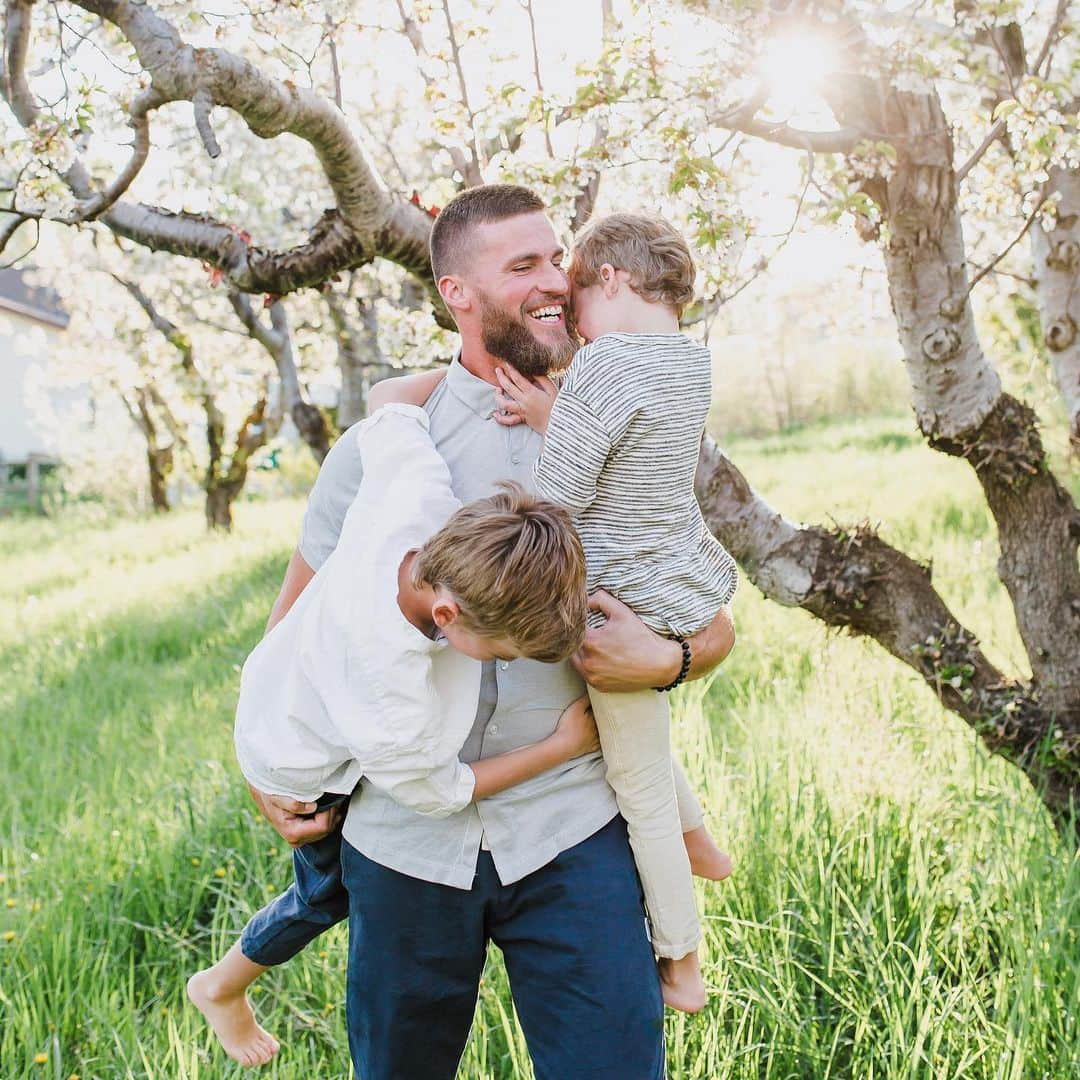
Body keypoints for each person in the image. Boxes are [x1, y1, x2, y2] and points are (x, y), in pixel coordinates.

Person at [249, 184, 736, 1080]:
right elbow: (294, 625)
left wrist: (668, 662)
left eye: (559, 259)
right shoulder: (390, 444)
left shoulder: (624, 420)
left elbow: (709, 624)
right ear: (456, 294)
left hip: (574, 829)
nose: (557, 281)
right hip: (403, 843)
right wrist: (264, 771)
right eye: (525, 267)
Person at [187, 404, 596, 1067]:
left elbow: (393, 410)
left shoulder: (417, 498)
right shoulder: (388, 687)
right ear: (446, 614)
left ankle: (223, 981)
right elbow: (441, 791)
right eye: (502, 653)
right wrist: (560, 747)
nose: (503, 665)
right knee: (327, 892)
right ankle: (221, 985)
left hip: (283, 689)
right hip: (295, 760)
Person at [492, 211, 738, 1011]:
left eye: (579, 303)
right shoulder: (688, 364)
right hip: (674, 580)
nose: (574, 324)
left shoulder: (602, 367)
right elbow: (628, 446)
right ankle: (701, 841)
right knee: (641, 738)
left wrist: (511, 511)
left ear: (613, 281)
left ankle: (681, 954)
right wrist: (557, 410)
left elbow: (559, 496)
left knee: (635, 782)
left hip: (613, 599)